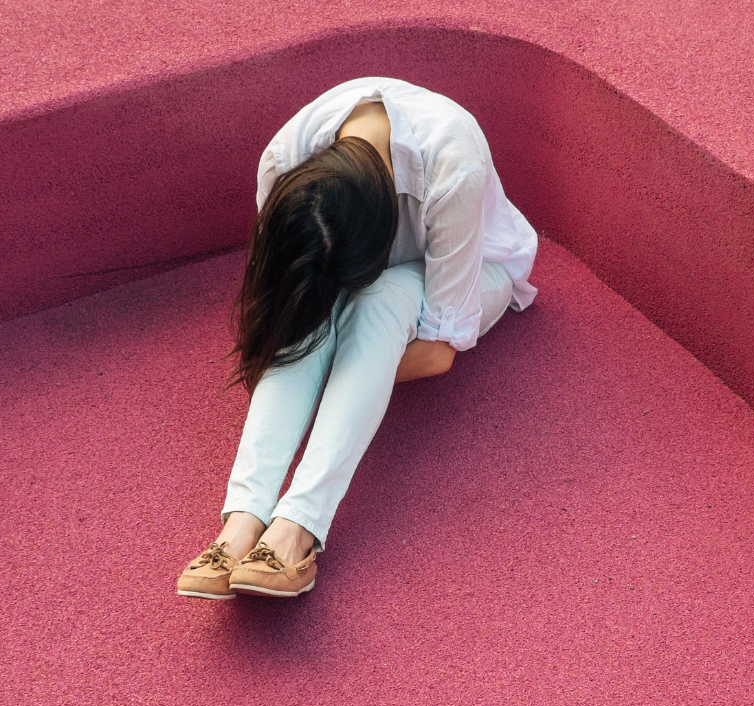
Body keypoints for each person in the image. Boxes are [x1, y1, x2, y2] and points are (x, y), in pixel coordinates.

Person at [176, 77, 538, 600]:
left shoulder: (451, 162)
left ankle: (297, 527)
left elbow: (438, 353)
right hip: (373, 271)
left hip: (479, 271)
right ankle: (241, 523)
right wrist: (310, 344)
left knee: (381, 298)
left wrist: (335, 371)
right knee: (304, 322)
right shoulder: (285, 162)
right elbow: (283, 302)